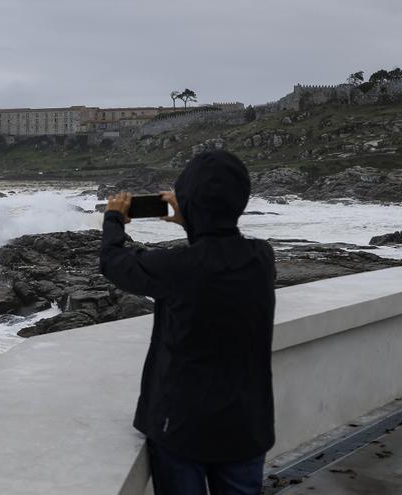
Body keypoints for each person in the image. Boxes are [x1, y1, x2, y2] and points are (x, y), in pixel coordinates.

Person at [99, 151, 276, 495]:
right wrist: (194, 219)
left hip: (181, 428)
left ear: (189, 202)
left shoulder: (176, 267)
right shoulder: (261, 258)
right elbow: (217, 249)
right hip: (246, 427)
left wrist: (113, 219)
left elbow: (114, 260)